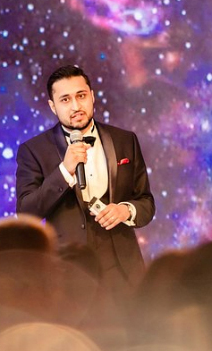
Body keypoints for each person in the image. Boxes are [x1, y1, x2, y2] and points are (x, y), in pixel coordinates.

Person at [15, 64, 155, 286]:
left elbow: (146, 202)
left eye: (81, 96)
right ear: (53, 106)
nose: (76, 106)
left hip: (124, 270)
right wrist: (64, 171)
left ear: (92, 96)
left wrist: (126, 210)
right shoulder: (33, 150)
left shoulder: (124, 140)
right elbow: (26, 212)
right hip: (70, 274)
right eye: (65, 99)